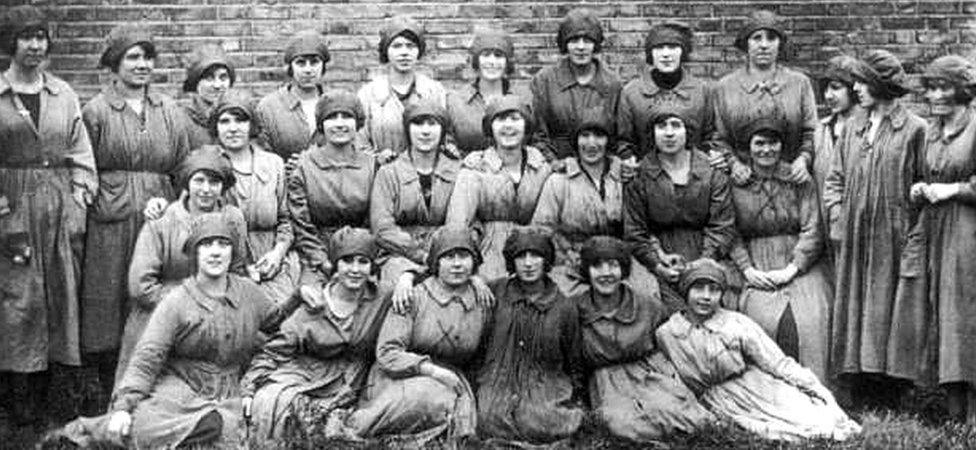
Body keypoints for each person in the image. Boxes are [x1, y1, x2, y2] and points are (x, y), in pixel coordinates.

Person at [51, 213, 312, 448]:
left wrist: (298, 296)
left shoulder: (248, 293)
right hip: (181, 386)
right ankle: (82, 434)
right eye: (206, 245)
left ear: (233, 252)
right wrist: (123, 406)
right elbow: (147, 357)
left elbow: (275, 320)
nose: (215, 252)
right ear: (195, 253)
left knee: (227, 427)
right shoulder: (177, 301)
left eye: (223, 244)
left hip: (227, 388)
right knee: (142, 425)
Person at [79, 24, 190, 397]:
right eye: (133, 57)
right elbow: (83, 166)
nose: (143, 65)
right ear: (115, 63)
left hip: (160, 210)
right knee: (108, 294)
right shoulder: (96, 110)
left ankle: (153, 377)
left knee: (153, 287)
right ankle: (105, 380)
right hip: (111, 214)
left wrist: (174, 205)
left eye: (147, 57)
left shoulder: (169, 110)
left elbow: (180, 165)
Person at [0, 5, 97, 424]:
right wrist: (4, 217)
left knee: (61, 296)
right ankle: (18, 401)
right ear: (11, 43)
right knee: (19, 300)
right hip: (13, 205)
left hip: (60, 208)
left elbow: (80, 151)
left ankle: (56, 400)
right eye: (27, 37)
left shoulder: (64, 93)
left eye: (41, 37)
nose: (35, 45)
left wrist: (79, 199)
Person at [656, 258, 861, 442]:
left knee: (819, 421)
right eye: (698, 288)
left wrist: (814, 386)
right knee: (781, 430)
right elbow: (672, 381)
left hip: (759, 387)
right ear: (685, 290)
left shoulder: (735, 323)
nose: (706, 297)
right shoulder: (667, 333)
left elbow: (777, 362)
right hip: (717, 401)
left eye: (714, 290)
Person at [824, 50, 926, 409]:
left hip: (893, 232)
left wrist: (913, 231)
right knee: (854, 306)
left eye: (863, 82)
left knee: (888, 309)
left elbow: (923, 186)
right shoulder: (853, 126)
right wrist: (837, 216)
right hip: (854, 233)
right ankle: (858, 382)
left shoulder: (914, 129)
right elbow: (834, 179)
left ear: (882, 86)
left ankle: (892, 389)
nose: (856, 89)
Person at [343, 226, 492, 446]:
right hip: (396, 375)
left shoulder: (482, 301)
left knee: (453, 402)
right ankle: (358, 426)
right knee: (432, 396)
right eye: (449, 257)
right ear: (436, 263)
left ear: (475, 262)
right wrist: (430, 370)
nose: (457, 264)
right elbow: (387, 353)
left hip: (452, 377)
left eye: (464, 256)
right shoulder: (412, 296)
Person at [240, 228, 391, 440]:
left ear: (372, 266)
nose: (355, 270)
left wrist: (408, 277)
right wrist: (249, 388)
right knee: (268, 401)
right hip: (309, 373)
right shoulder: (314, 305)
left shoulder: (381, 296)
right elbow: (273, 351)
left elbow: (427, 278)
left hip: (353, 377)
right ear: (336, 265)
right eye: (347, 261)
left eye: (363, 261)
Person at [889, 55, 976, 421]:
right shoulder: (931, 130)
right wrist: (922, 189)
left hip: (967, 232)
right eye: (932, 88)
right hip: (934, 230)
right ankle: (954, 411)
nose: (936, 95)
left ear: (962, 90)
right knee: (942, 315)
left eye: (944, 87)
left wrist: (954, 189)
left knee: (966, 315)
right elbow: (926, 172)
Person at [118, 148, 247, 387]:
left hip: (216, 314)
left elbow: (238, 272)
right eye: (199, 180)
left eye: (214, 181)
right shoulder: (162, 222)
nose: (206, 189)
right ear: (187, 183)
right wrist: (189, 303)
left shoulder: (233, 219)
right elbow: (141, 287)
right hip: (161, 313)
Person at [575, 236, 714, 441]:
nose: (606, 273)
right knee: (621, 424)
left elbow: (668, 343)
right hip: (607, 378)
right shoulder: (575, 310)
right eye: (597, 266)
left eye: (613, 265)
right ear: (587, 271)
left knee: (691, 417)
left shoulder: (647, 304)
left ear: (623, 270)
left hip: (648, 370)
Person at [730, 118, 832, 380]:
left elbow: (813, 228)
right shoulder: (735, 183)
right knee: (762, 319)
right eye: (759, 143)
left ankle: (818, 388)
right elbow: (729, 230)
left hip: (799, 260)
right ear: (748, 147)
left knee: (813, 317)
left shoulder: (798, 180)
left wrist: (793, 268)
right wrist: (747, 269)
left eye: (773, 143)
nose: (767, 150)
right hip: (755, 260)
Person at [532, 108, 658, 298]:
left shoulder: (625, 178)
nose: (591, 143)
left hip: (619, 260)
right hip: (571, 262)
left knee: (647, 294)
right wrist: (564, 256)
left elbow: (641, 228)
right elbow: (542, 232)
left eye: (599, 135)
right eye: (585, 135)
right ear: (576, 140)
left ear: (609, 141)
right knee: (562, 302)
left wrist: (657, 255)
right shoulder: (558, 181)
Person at [477, 227, 583, 444]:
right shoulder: (495, 292)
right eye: (521, 256)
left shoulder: (564, 307)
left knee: (539, 420)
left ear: (547, 261)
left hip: (544, 381)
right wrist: (473, 280)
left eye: (536, 255)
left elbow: (574, 358)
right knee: (487, 418)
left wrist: (578, 392)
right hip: (499, 377)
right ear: (511, 262)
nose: (528, 263)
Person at [624, 107, 735, 311]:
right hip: (655, 255)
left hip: (707, 251)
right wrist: (657, 264)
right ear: (652, 133)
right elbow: (635, 231)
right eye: (661, 126)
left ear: (688, 132)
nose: (669, 133)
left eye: (676, 125)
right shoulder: (639, 176)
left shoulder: (712, 172)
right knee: (652, 306)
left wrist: (703, 262)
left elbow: (722, 226)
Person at [446, 95, 552, 282]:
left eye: (515, 118)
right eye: (500, 119)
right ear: (490, 128)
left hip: (532, 255)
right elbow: (458, 226)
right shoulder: (474, 170)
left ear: (526, 125)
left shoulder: (542, 168)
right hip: (488, 256)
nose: (508, 126)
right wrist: (469, 271)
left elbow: (549, 223)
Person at [711, 9, 817, 186]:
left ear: (779, 44)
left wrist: (803, 159)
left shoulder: (799, 84)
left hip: (791, 181)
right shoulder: (726, 87)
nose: (764, 45)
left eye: (771, 38)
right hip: (742, 184)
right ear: (746, 44)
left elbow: (811, 132)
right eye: (756, 38)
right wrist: (734, 164)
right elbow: (719, 138)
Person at [370, 100, 462, 296]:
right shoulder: (389, 173)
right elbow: (382, 228)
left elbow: (466, 221)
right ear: (407, 129)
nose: (425, 131)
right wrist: (421, 255)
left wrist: (442, 253)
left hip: (447, 254)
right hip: (397, 255)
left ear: (443, 130)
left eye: (432, 124)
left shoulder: (458, 171)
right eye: (418, 124)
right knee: (400, 290)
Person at [289, 90, 376, 284]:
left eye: (346, 117)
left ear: (358, 123)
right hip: (316, 254)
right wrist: (322, 261)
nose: (339, 124)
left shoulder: (372, 165)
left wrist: (357, 258)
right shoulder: (303, 166)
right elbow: (300, 223)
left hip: (362, 255)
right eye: (331, 117)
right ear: (321, 125)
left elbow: (376, 218)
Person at [530, 7, 622, 161]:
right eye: (574, 40)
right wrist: (554, 163)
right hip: (557, 168)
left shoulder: (612, 84)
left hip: (599, 167)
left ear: (596, 44)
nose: (581, 47)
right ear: (565, 44)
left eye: (587, 40)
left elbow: (619, 135)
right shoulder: (545, 80)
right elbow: (538, 134)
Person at [617, 21, 716, 159]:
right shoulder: (631, 93)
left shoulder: (702, 91)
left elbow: (711, 136)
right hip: (646, 174)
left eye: (673, 47)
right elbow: (624, 140)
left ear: (683, 52)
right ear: (650, 54)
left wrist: (711, 155)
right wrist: (628, 159)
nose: (666, 54)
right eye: (659, 48)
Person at [358, 15, 448, 163]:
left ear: (419, 51)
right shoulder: (369, 94)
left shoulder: (434, 91)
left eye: (410, 46)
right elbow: (359, 144)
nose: (404, 52)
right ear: (386, 50)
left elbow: (445, 140)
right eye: (397, 46)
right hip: (382, 175)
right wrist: (376, 158)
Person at [256, 29, 330, 161]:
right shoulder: (269, 107)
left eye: (314, 62)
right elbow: (261, 156)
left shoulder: (333, 103)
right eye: (301, 63)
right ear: (290, 67)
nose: (308, 70)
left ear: (323, 66)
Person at [813, 55, 859, 263]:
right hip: (825, 225)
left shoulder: (868, 130)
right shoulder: (821, 130)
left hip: (858, 224)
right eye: (825, 89)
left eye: (836, 88)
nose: (828, 96)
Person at [447, 28, 517, 155]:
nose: (492, 62)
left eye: (498, 55)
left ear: (507, 62)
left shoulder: (521, 100)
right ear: (476, 61)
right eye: (485, 55)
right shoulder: (455, 102)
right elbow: (448, 146)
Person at [178, 43, 235, 150]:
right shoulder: (181, 122)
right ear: (195, 82)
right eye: (209, 78)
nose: (217, 85)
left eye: (223, 78)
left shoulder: (237, 119)